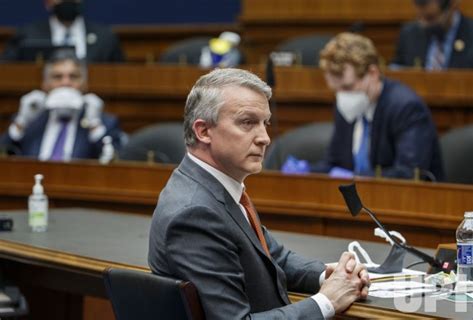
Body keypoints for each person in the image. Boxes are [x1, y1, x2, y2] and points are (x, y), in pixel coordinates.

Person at [148, 68, 370, 319]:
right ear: (203, 131)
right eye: (247, 122)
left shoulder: (216, 188)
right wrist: (327, 301)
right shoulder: (194, 213)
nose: (265, 138)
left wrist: (328, 275)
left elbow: (271, 258)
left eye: (265, 123)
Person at [312, 33, 444, 181]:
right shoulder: (345, 106)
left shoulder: (406, 108)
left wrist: (354, 178)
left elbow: (409, 174)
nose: (341, 96)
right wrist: (305, 172)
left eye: (347, 87)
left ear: (373, 73)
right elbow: (334, 162)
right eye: (336, 89)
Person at [0, 49, 125, 161]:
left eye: (74, 77)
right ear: (45, 84)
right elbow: (4, 156)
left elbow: (115, 163)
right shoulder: (31, 121)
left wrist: (94, 125)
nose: (65, 82)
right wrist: (21, 123)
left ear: (85, 84)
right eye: (57, 77)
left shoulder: (105, 123)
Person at [1, 0, 124, 62]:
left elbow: (121, 74)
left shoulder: (105, 37)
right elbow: (8, 71)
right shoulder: (27, 35)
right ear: (47, 2)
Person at [391, 0, 473, 69]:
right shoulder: (409, 34)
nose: (423, 24)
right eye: (419, 17)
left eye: (430, 18)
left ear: (453, 5)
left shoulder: (471, 34)